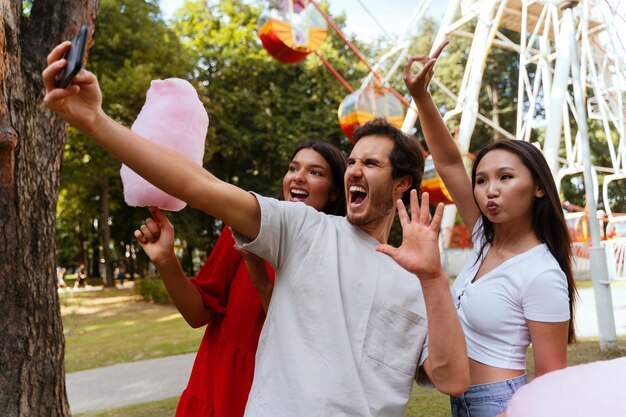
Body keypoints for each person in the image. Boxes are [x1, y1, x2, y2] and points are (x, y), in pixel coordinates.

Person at [43, 41, 469, 417]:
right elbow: (200, 184)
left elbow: (451, 380)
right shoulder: (305, 230)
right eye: (352, 161)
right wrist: (96, 122)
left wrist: (432, 278)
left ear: (401, 184)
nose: (354, 170)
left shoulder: (423, 279)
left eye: (370, 164)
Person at [404, 41, 577, 417]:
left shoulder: (542, 273)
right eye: (481, 180)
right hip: (459, 400)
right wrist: (421, 96)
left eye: (505, 177)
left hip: (501, 405)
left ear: (539, 187)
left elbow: (552, 381)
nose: (489, 190)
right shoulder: (484, 238)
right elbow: (450, 163)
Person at [133, 140, 348, 417]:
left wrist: (262, 281)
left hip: (275, 397)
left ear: (333, 193)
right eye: (293, 168)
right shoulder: (244, 229)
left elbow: (299, 338)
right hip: (214, 386)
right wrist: (166, 259)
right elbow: (198, 314)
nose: (299, 177)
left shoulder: (335, 254)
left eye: (315, 172)